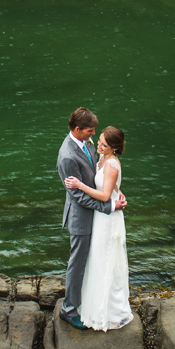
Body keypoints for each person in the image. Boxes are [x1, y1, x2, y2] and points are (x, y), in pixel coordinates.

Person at [56, 107, 126, 329]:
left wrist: (116, 189)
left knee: (94, 260)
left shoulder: (86, 144)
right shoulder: (67, 156)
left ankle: (88, 302)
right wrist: (109, 205)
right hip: (81, 218)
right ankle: (69, 310)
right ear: (77, 130)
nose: (94, 135)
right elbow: (77, 197)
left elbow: (102, 172)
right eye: (90, 131)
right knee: (77, 264)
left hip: (96, 214)